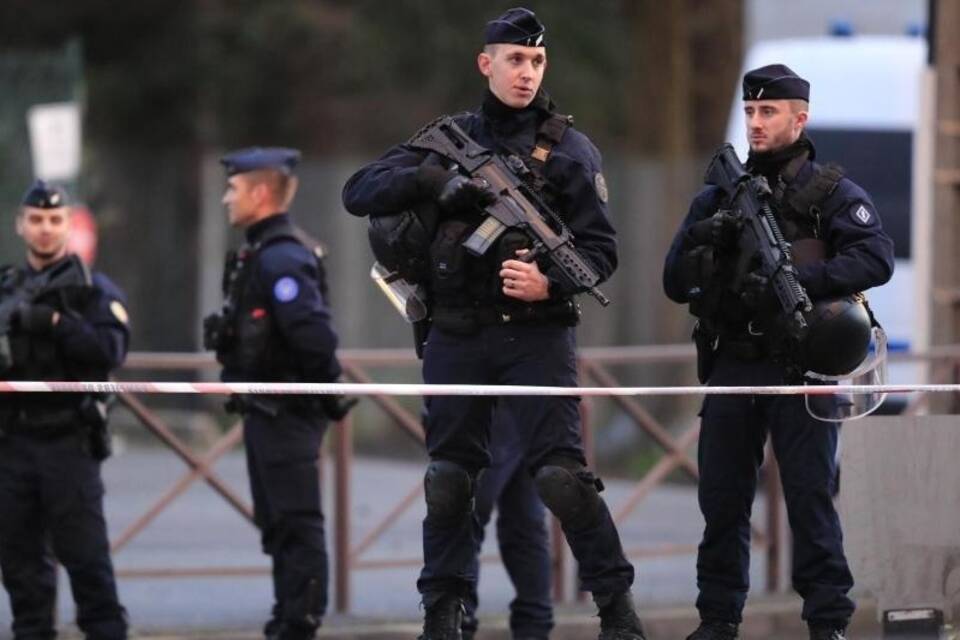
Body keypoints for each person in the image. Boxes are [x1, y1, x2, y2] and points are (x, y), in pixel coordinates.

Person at [343, 8, 646, 640]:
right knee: (451, 479)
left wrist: (548, 281)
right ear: (487, 63)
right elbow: (359, 190)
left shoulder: (569, 151)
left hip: (536, 335)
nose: (526, 73)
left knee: (562, 477)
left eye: (536, 61)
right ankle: (443, 614)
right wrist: (434, 184)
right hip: (455, 331)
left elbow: (602, 254)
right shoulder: (448, 138)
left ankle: (617, 609)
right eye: (514, 59)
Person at [663, 65, 895, 640]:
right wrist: (705, 243)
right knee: (721, 500)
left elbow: (877, 258)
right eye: (750, 112)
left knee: (810, 499)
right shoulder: (718, 193)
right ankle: (717, 619)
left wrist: (801, 278)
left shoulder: (831, 193)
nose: (756, 122)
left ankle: (826, 621)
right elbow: (673, 280)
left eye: (768, 112)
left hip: (803, 364)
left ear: (800, 117)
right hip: (734, 362)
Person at [204, 147, 352, 640]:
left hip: (286, 412)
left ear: (261, 193)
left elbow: (316, 339)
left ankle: (298, 624)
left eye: (234, 188)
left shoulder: (283, 257)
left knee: (296, 525)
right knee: (278, 527)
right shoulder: (260, 252)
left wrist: (312, 390)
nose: (227, 197)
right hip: (266, 412)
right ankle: (285, 619)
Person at [0, 180, 130, 639]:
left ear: (69, 225)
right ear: (21, 225)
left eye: (55, 220)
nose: (45, 229)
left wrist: (56, 323)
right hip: (12, 445)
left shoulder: (94, 290)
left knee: (88, 567)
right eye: (35, 220)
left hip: (68, 444)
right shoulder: (7, 288)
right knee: (21, 573)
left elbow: (109, 351)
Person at [461, 407, 553, 640]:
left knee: (461, 519)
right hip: (537, 398)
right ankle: (534, 629)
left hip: (490, 402)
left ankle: (457, 625)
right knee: (526, 524)